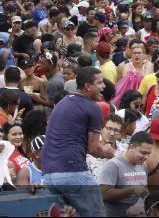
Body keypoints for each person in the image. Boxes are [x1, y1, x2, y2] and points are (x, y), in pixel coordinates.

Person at [42, 67, 115, 217]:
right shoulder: (93, 107)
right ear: (88, 86)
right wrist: (108, 153)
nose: (104, 86)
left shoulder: (63, 102)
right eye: (100, 83)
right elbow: (94, 149)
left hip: (49, 175)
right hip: (72, 173)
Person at [100, 131, 152, 217]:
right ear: (131, 147)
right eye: (143, 153)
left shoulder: (143, 165)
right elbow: (103, 194)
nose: (146, 157)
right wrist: (131, 190)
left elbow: (143, 191)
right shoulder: (113, 165)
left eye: (149, 153)